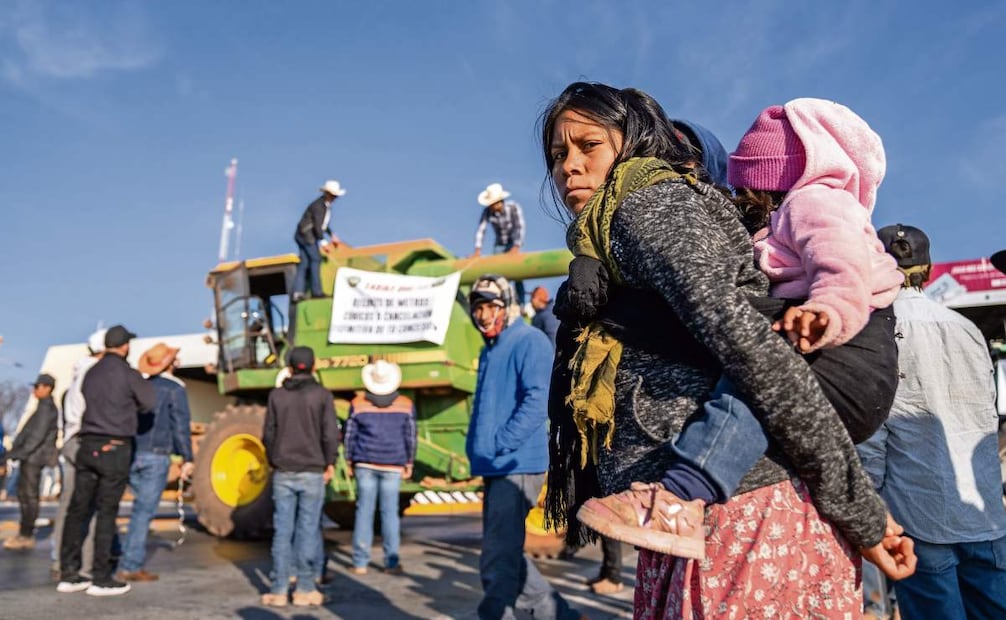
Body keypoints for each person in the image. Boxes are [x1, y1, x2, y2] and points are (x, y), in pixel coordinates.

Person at [539, 82, 912, 617]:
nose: (569, 166)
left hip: (738, 513)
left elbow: (761, 359)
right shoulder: (611, 229)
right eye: (558, 154)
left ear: (633, 139)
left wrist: (863, 515)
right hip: (694, 516)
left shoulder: (650, 204)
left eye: (588, 145)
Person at [857, 224, 1006, 619]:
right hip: (983, 512)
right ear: (929, 268)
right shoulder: (968, 329)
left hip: (918, 517)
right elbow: (986, 411)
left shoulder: (877, 329)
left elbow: (874, 431)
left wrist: (870, 507)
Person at [466, 274, 581, 620]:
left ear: (507, 305)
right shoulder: (490, 349)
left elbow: (537, 401)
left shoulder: (529, 341)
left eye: (491, 307)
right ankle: (560, 615)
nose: (484, 315)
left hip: (515, 464)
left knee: (497, 558)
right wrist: (479, 451)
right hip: (496, 464)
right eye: (478, 309)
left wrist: (500, 443)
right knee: (506, 554)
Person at [57, 324, 156, 597]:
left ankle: (69, 573)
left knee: (78, 509)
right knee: (106, 511)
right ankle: (101, 577)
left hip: (87, 444)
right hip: (115, 445)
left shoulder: (91, 372)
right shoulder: (128, 374)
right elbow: (149, 402)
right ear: (125, 346)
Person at [260, 346, 340, 608]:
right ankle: (305, 589)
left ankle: (279, 589)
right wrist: (330, 462)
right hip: (312, 470)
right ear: (313, 366)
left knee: (282, 531)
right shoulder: (322, 395)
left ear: (289, 368)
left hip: (283, 470)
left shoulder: (276, 396)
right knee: (308, 530)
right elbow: (330, 434)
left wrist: (274, 459)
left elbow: (268, 434)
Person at [116, 343, 195, 582]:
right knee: (143, 511)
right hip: (157, 454)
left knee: (129, 508)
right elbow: (180, 425)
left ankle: (117, 552)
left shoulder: (139, 387)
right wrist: (187, 457)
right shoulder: (175, 389)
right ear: (170, 364)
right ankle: (130, 564)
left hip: (133, 452)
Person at [344, 360, 416, 575]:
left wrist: (349, 460)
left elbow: (349, 436)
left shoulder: (358, 404)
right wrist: (409, 462)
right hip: (393, 465)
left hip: (364, 463)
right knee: (389, 513)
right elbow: (410, 437)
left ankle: (360, 563)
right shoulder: (406, 404)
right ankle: (391, 562)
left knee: (364, 512)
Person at [51, 327, 105, 577]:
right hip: (86, 441)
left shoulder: (76, 374)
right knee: (90, 504)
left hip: (72, 440)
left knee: (69, 503)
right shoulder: (96, 375)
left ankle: (60, 560)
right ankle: (84, 565)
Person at [4, 373, 59, 551]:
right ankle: (24, 532)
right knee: (25, 495)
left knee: (29, 496)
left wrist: (19, 453)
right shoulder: (42, 407)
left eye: (37, 386)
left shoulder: (46, 409)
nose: (34, 390)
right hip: (31, 456)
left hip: (34, 458)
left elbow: (35, 437)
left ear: (47, 388)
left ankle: (26, 535)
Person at [292, 180, 345, 302]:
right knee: (316, 259)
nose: (335, 198)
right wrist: (323, 242)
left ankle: (298, 292)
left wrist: (332, 235)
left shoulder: (324, 206)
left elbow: (323, 225)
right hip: (307, 236)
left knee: (304, 263)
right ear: (327, 194)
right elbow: (317, 226)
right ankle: (316, 292)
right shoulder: (319, 206)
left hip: (303, 235)